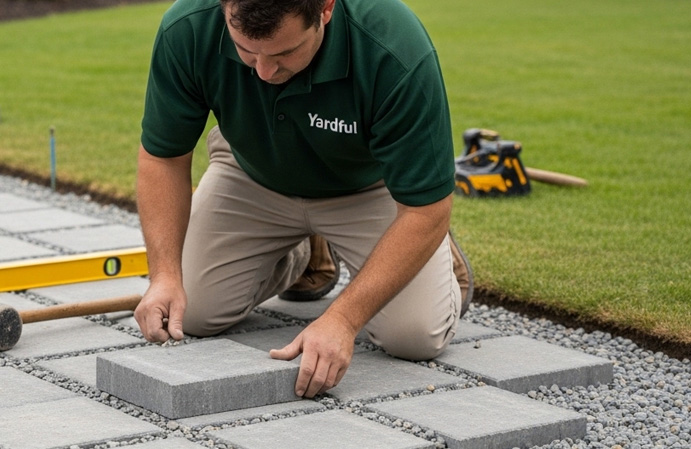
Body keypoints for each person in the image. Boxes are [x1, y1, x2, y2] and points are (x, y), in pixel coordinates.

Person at [133, 0, 474, 399]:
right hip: (252, 173)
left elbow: (426, 208)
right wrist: (164, 276)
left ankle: (441, 259)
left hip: (366, 186)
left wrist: (342, 321)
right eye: (245, 50)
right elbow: (163, 158)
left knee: (414, 337)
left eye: (283, 53)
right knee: (191, 311)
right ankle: (304, 254)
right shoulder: (188, 25)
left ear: (325, 9)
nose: (262, 71)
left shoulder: (392, 46)